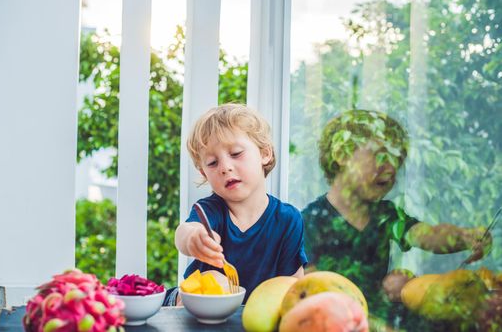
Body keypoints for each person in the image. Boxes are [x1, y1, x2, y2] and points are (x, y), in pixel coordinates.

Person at [301, 109, 492, 329]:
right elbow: (312, 291)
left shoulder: (386, 215)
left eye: (398, 160)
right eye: (381, 156)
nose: (392, 169)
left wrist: (464, 237)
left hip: (383, 318)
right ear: (342, 154)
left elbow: (428, 236)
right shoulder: (312, 221)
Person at [165, 103, 307, 306]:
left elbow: (294, 284)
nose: (225, 167)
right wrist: (193, 239)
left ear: (264, 153)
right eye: (213, 163)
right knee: (218, 281)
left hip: (253, 319)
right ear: (204, 173)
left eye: (236, 153)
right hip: (194, 310)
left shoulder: (288, 219)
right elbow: (186, 231)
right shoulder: (211, 210)